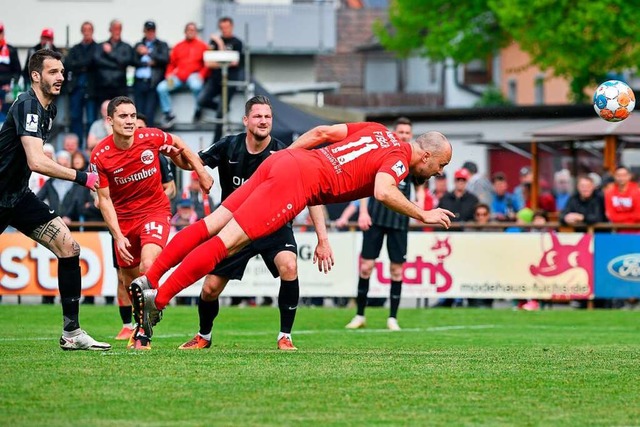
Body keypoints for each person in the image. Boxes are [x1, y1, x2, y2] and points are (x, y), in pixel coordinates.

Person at [129, 121, 454, 339]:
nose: (437, 172)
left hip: (284, 161)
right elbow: (384, 191)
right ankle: (160, 299)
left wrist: (286, 156)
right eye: (440, 166)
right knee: (226, 243)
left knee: (211, 224)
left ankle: (151, 278)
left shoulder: (377, 130)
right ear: (425, 154)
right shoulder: (398, 157)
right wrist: (423, 214)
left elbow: (321, 133)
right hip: (296, 183)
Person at [174, 95, 330, 351]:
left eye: (268, 117)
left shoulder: (284, 154)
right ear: (246, 120)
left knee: (289, 265)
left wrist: (322, 240)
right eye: (258, 116)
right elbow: (193, 162)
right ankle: (204, 335)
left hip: (273, 226)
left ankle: (285, 337)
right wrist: (175, 155)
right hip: (235, 227)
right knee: (210, 288)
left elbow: (311, 193)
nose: (263, 121)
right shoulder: (229, 146)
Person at [0, 49, 110, 350]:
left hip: (16, 196)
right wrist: (81, 176)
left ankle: (72, 333)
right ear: (35, 76)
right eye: (52, 72)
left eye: (61, 72)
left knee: (68, 246)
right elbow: (37, 161)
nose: (60, 77)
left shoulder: (48, 110)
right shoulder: (28, 104)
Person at [91, 96, 211, 350]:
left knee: (149, 265)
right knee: (129, 282)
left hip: (154, 212)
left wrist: (201, 172)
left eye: (133, 116)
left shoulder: (151, 138)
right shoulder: (100, 155)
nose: (130, 121)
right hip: (123, 220)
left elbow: (178, 143)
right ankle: (141, 319)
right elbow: (104, 199)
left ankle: (144, 333)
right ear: (110, 121)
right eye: (123, 116)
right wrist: (117, 235)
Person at [345, 117, 421, 331]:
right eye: (401, 132)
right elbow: (365, 184)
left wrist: (420, 210)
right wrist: (362, 212)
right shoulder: (383, 154)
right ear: (395, 133)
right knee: (366, 267)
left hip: (399, 220)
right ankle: (360, 315)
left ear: (411, 135)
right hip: (376, 217)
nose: (404, 135)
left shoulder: (412, 162)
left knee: (396, 270)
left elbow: (421, 189)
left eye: (407, 132)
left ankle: (392, 318)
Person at [156, 22, 209, 128]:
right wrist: (169, 74)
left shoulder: (203, 46)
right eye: (189, 30)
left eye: (193, 30)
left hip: (194, 75)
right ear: (185, 32)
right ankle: (168, 114)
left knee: (196, 85)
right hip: (179, 77)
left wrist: (202, 75)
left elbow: (207, 64)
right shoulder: (178, 46)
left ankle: (198, 110)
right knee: (161, 88)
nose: (191, 32)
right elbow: (171, 64)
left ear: (196, 32)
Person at [198, 16, 244, 118]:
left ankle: (219, 132)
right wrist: (223, 62)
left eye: (227, 27)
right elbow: (208, 63)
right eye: (222, 28)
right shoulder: (213, 42)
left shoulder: (237, 43)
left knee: (220, 114)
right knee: (201, 100)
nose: (224, 30)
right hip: (215, 79)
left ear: (232, 27)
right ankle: (222, 107)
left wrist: (220, 44)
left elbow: (234, 62)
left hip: (229, 80)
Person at [65, 21, 98, 146]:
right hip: (77, 87)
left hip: (91, 88)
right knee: (75, 118)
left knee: (91, 119)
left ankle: (90, 146)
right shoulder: (76, 48)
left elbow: (95, 62)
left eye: (89, 29)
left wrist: (80, 64)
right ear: (82, 31)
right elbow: (68, 64)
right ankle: (77, 146)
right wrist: (85, 65)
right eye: (85, 29)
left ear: (92, 31)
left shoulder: (97, 47)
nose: (87, 32)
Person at [132, 21, 169, 127]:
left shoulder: (161, 45)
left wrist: (149, 53)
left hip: (152, 82)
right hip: (139, 82)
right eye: (148, 31)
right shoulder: (138, 45)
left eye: (152, 31)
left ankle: (148, 138)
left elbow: (164, 59)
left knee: (149, 113)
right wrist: (144, 61)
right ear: (144, 31)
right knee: (138, 113)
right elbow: (131, 60)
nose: (150, 33)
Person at [93, 20, 133, 104]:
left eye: (119, 29)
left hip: (119, 86)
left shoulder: (126, 46)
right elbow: (97, 61)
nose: (117, 31)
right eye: (115, 29)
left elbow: (126, 61)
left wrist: (111, 53)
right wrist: (117, 65)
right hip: (104, 85)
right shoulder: (101, 46)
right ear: (110, 30)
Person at [0, 23, 22, 114]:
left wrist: (11, 85)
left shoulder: (11, 50)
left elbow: (17, 70)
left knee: (7, 113)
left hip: (7, 88)